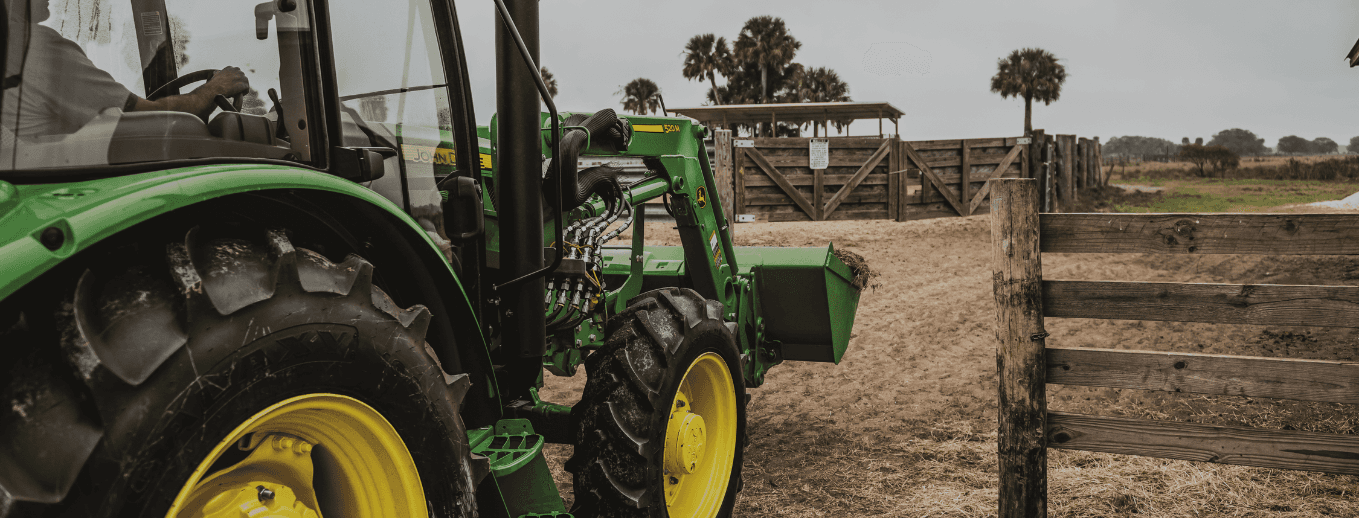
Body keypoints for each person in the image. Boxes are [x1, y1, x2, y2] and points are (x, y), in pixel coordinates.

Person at [3, 0, 250, 138]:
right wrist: (212, 90)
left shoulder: (12, 46)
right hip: (62, 179)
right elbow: (140, 116)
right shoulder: (34, 46)